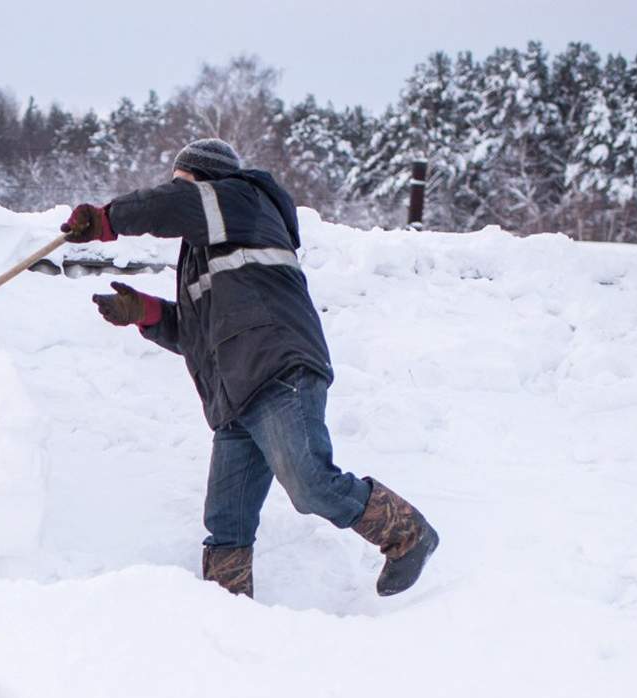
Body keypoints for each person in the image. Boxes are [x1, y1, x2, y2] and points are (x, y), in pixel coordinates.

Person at [61, 138, 438, 599]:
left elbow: (176, 205)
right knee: (226, 524)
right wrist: (146, 313)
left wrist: (106, 220)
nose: (177, 194)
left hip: (278, 370)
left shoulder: (245, 201)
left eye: (184, 184)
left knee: (309, 483)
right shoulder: (203, 254)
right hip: (235, 398)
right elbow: (200, 336)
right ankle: (228, 617)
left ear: (209, 180)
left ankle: (408, 534)